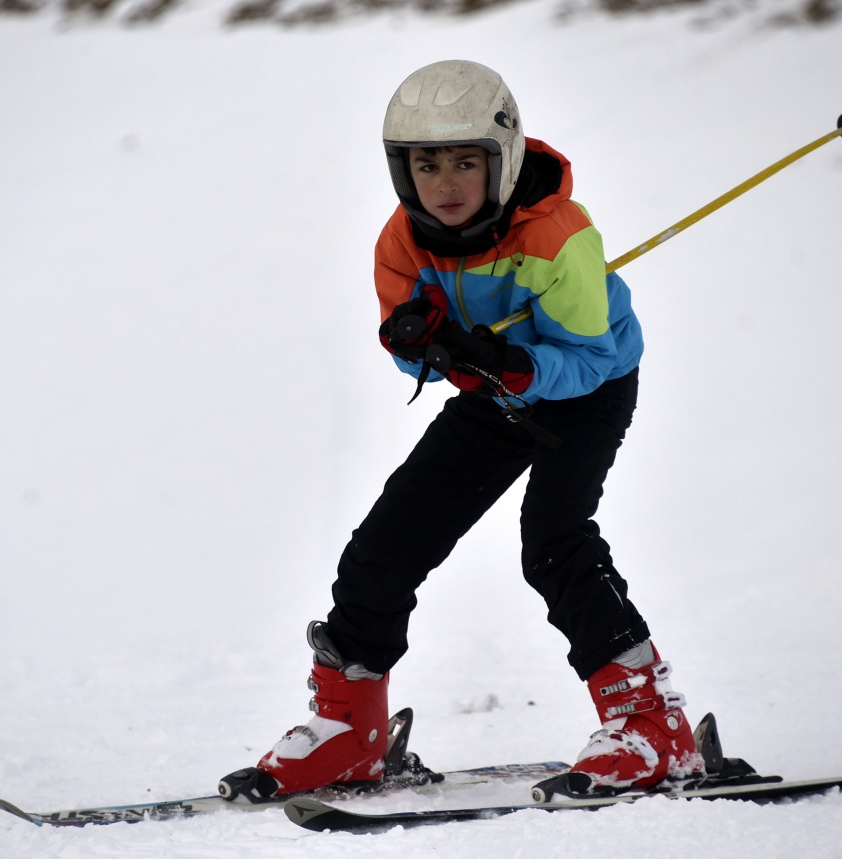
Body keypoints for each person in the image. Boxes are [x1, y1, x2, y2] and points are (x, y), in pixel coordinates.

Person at [238, 60, 703, 798]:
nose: (445, 184)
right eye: (426, 165)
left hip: (586, 388)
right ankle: (349, 733)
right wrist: (428, 345)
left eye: (465, 162)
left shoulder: (557, 237)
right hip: (495, 388)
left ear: (502, 159)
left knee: (554, 540)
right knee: (385, 546)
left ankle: (652, 726)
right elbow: (407, 350)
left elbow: (591, 358)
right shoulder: (403, 239)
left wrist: (513, 365)